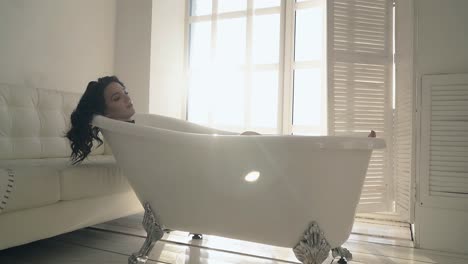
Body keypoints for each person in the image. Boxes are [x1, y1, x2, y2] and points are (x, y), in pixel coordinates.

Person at [66, 75, 376, 165]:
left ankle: (340, 142)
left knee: (252, 136)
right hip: (202, 162)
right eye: (117, 98)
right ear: (105, 113)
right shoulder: (127, 134)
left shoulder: (139, 125)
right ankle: (341, 144)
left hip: (205, 154)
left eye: (126, 92)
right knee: (254, 141)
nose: (127, 99)